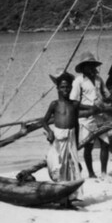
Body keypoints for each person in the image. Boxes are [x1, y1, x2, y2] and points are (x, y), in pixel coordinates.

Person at [41, 71, 84, 205]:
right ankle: (60, 196)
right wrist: (49, 131)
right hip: (58, 139)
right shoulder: (54, 104)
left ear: (71, 87)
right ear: (57, 88)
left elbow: (76, 123)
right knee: (57, 165)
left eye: (68, 87)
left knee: (72, 167)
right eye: (62, 87)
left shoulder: (74, 104)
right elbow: (44, 121)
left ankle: (70, 197)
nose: (65, 90)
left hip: (71, 138)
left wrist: (76, 143)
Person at [71, 52, 111, 180]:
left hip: (100, 116)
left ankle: (104, 172)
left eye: (92, 65)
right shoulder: (78, 81)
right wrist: (90, 108)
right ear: (83, 68)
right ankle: (91, 173)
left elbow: (108, 96)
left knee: (106, 143)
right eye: (88, 66)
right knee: (88, 145)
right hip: (86, 118)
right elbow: (74, 102)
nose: (91, 68)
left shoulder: (99, 80)